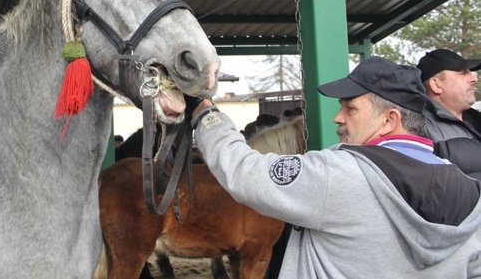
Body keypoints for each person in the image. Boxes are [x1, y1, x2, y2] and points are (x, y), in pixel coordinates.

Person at [189, 56, 481, 278]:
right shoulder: (469, 191)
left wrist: (207, 116)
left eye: (350, 108)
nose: (337, 118)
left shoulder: (340, 174)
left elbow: (244, 171)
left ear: (389, 120)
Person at [417, 48, 481, 179]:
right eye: (462, 72)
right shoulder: (419, 127)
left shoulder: (475, 120)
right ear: (436, 85)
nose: (474, 78)